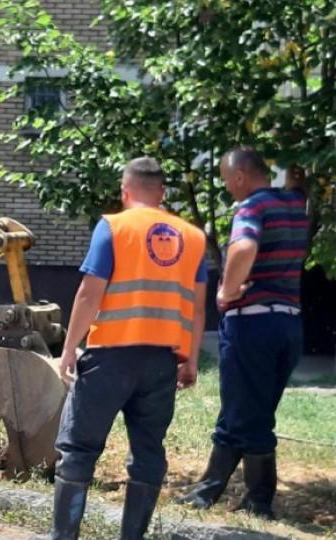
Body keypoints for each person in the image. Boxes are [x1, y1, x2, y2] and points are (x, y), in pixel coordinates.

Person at [47, 157, 208, 540]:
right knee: (148, 452)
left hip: (110, 358)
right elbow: (199, 307)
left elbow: (89, 293)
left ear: (125, 191)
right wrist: (191, 359)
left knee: (79, 449)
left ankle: (63, 536)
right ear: (162, 193)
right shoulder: (194, 237)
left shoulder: (114, 227)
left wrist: (70, 347)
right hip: (162, 362)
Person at [177, 147, 308, 519]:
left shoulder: (252, 206)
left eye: (225, 180)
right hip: (288, 324)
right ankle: (208, 489)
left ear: (238, 177)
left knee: (251, 414)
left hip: (252, 322)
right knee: (245, 406)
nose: (227, 188)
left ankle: (259, 500)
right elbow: (301, 177)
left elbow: (245, 246)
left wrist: (226, 291)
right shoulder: (295, 204)